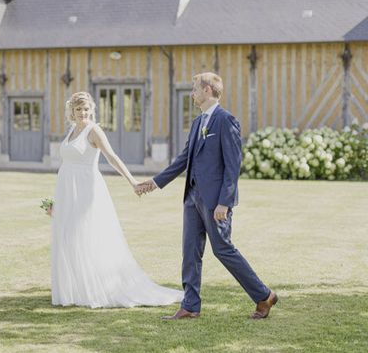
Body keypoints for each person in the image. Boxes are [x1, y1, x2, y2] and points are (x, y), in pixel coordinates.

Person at [136, 72, 278, 320]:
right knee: (190, 250)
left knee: (223, 249)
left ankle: (264, 295)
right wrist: (154, 182)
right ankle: (190, 305)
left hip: (215, 202)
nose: (192, 93)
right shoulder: (197, 123)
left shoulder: (226, 121)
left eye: (195, 89)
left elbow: (233, 167)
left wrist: (225, 201)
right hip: (191, 197)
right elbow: (183, 160)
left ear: (208, 90)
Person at [50, 91, 183, 308]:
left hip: (87, 190)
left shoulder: (94, 131)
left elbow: (112, 157)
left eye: (86, 109)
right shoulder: (72, 131)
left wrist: (132, 182)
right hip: (67, 190)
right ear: (71, 112)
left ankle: (97, 288)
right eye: (78, 109)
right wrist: (59, 201)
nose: (83, 113)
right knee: (67, 237)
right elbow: (67, 164)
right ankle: (74, 289)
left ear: (91, 110)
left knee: (86, 235)